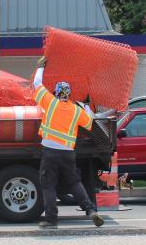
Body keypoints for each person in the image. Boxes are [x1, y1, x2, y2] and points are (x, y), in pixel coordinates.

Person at [32, 56, 104, 229]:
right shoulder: (76, 110)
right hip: (67, 153)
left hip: (49, 151)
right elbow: (91, 122)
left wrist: (41, 67)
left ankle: (51, 220)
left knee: (49, 185)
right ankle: (91, 211)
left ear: (57, 92)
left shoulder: (50, 102)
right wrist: (86, 105)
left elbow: (36, 84)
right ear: (69, 94)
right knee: (74, 183)